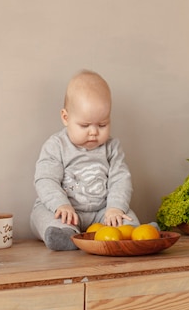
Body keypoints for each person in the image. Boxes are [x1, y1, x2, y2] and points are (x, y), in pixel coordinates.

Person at [30, 70, 140, 250]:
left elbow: (120, 180)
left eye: (102, 124)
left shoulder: (112, 147)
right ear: (66, 118)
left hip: (100, 212)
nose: (94, 132)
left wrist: (115, 208)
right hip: (64, 210)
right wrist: (61, 204)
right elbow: (45, 179)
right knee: (42, 215)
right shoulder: (56, 145)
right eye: (85, 125)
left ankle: (137, 233)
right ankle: (64, 236)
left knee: (125, 216)